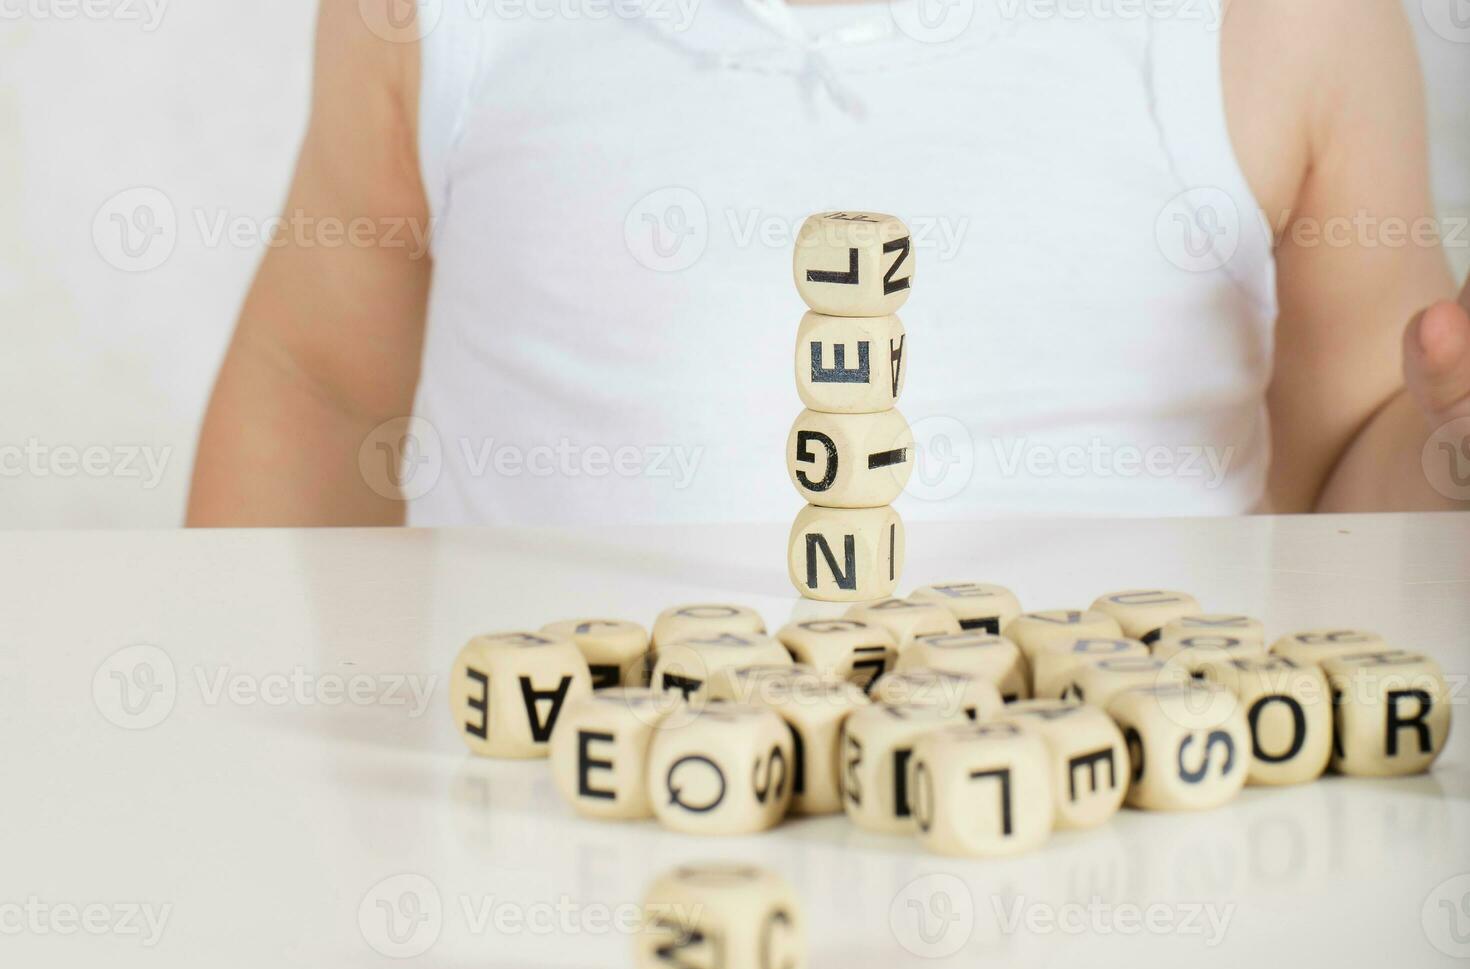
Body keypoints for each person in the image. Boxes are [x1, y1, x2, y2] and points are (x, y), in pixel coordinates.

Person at [187, 0, 1470, 527]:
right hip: (542, 856)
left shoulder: (1291, 27)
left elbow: (1350, 478)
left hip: (1112, 877)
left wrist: (1446, 442)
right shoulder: (436, 20)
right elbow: (321, 386)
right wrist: (238, 737)